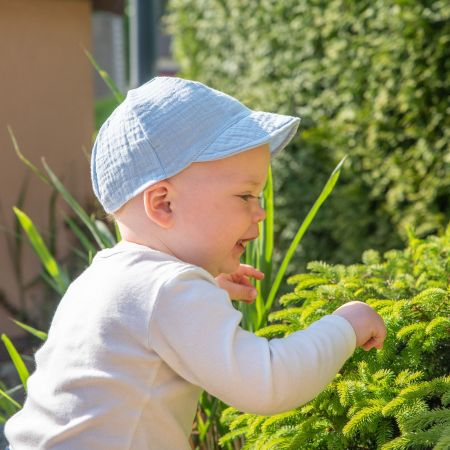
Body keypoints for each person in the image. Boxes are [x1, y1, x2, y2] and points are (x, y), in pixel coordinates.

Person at [4, 77, 386, 449]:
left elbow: (147, 323)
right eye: (245, 196)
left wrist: (206, 291)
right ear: (163, 204)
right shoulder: (168, 290)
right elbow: (267, 382)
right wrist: (346, 325)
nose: (261, 213)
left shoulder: (104, 278)